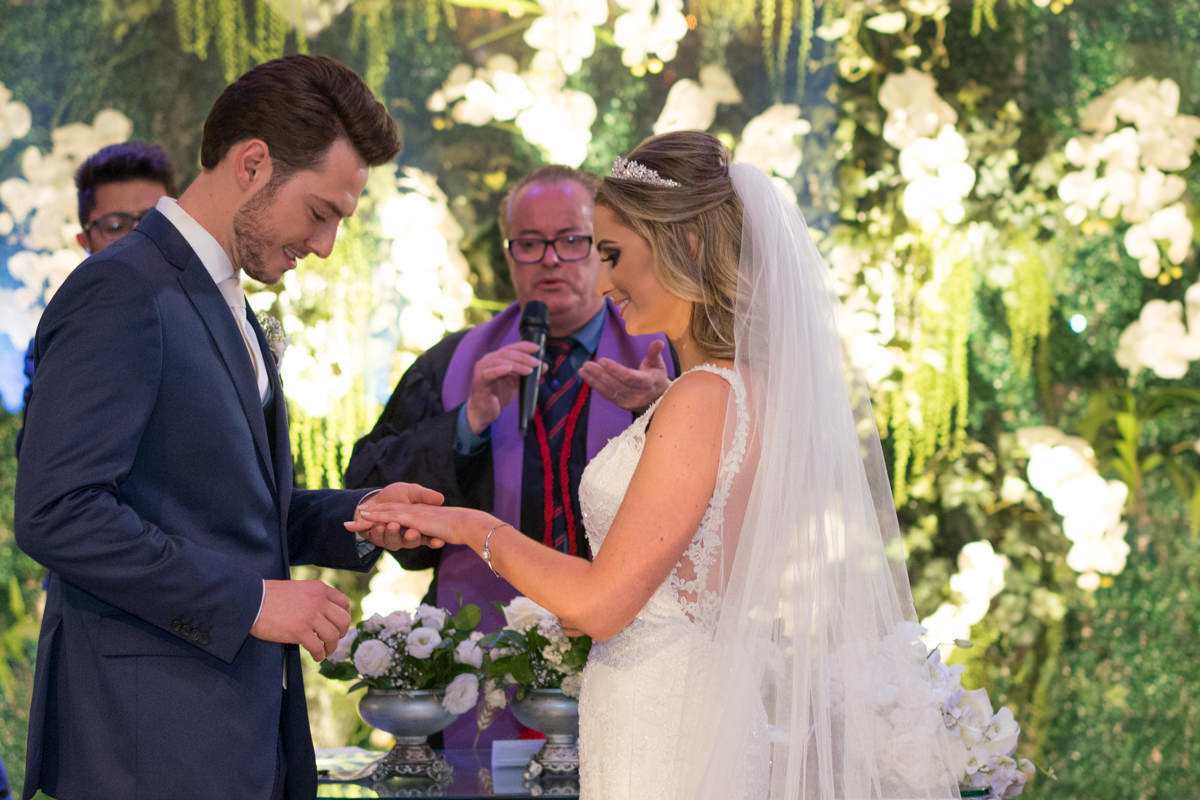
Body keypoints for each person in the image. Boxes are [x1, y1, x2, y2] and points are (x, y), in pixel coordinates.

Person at [353, 131, 966, 799]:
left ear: (688, 245)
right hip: (684, 706)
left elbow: (600, 605)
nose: (604, 276)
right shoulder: (732, 388)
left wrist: (471, 526)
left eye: (608, 252)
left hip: (660, 722)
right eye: (531, 244)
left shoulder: (701, 396)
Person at [14, 54, 437, 800]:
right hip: (148, 742)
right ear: (252, 164)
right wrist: (253, 601)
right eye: (320, 212)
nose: (326, 244)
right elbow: (57, 512)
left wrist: (360, 519)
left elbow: (216, 500)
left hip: (228, 735)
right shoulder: (123, 290)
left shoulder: (221, 297)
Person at [344, 164, 675, 747]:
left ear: (605, 248)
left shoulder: (661, 357)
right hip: (479, 654)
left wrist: (664, 412)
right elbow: (367, 487)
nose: (551, 260)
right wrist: (466, 424)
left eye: (573, 240)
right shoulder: (454, 365)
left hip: (625, 653)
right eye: (530, 244)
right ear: (509, 253)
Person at [16, 141, 176, 455]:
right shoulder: (65, 339)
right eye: (115, 226)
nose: (139, 237)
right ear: (84, 241)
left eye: (153, 220)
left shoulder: (217, 309)